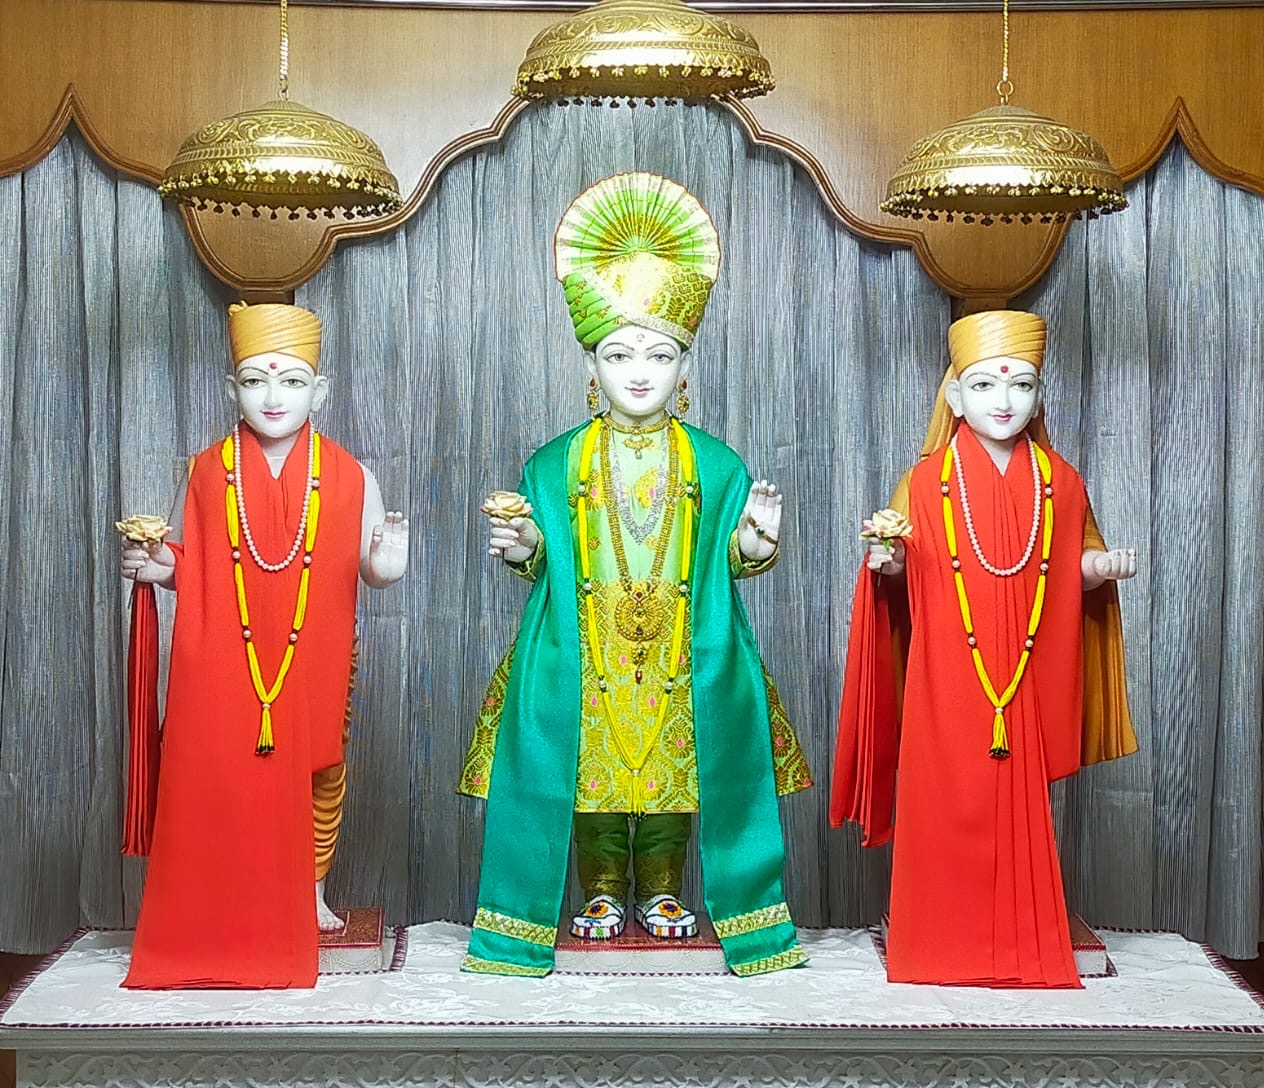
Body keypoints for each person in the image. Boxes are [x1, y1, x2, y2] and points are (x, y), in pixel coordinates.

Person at [459, 172, 811, 978]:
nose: (640, 371)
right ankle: (602, 890)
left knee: (672, 776)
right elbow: (546, 558)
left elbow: (732, 562)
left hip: (684, 654)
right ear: (592, 361)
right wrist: (524, 553)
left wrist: (756, 541)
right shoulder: (554, 462)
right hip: (585, 654)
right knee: (585, 774)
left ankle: (661, 888)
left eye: (660, 354)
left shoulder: (717, 464)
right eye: (620, 354)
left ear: (685, 361)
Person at [831, 309, 1137, 988]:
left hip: (1023, 667)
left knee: (1015, 800)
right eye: (987, 386)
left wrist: (1103, 567)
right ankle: (937, 934)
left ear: (1039, 397)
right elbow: (903, 563)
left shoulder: (1061, 480)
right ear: (955, 396)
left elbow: (1072, 562)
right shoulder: (925, 480)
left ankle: (1016, 930)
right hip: (948, 667)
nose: (1004, 402)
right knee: (947, 799)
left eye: (1022, 386)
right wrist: (883, 562)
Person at [119, 302, 409, 988]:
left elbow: (369, 566)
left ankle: (307, 891)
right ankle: (229, 894)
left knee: (318, 766)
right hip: (229, 657)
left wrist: (386, 564)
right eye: (255, 381)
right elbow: (206, 563)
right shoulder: (207, 470)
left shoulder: (350, 475)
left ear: (322, 390)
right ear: (231, 390)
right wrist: (163, 567)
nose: (273, 397)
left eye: (290, 381)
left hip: (316, 649)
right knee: (225, 769)